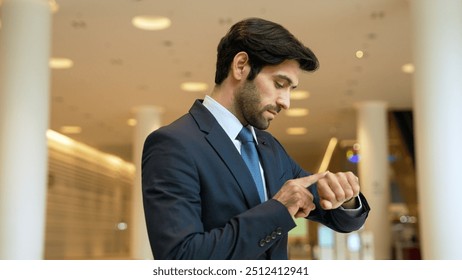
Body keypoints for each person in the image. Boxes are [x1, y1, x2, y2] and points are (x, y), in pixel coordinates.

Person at [142, 17, 370, 260]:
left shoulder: (269, 147)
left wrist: (345, 196)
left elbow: (340, 219)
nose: (286, 102)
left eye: (290, 90)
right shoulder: (172, 144)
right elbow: (180, 259)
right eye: (279, 84)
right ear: (241, 66)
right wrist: (278, 210)